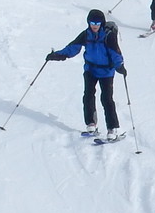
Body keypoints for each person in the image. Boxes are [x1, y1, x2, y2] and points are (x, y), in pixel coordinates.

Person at [46, 8, 126, 138]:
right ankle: (91, 124)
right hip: (90, 69)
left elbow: (115, 52)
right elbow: (72, 48)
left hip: (106, 71)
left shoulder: (108, 36)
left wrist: (119, 66)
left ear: (102, 24)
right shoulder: (86, 35)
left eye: (97, 23)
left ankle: (112, 129)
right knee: (88, 96)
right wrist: (56, 55)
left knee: (106, 99)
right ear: (88, 23)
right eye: (92, 23)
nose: (94, 26)